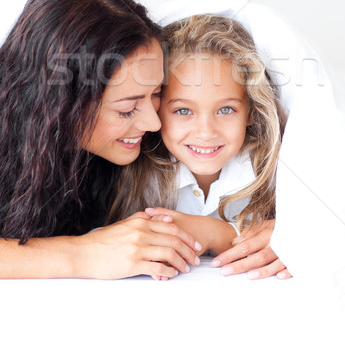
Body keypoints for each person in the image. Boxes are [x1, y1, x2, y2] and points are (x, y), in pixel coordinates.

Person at [0, 0, 202, 280]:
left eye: (156, 93)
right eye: (126, 109)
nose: (153, 123)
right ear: (58, 107)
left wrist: (246, 230)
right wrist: (83, 254)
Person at [108, 14, 292, 280]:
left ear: (251, 110)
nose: (206, 132)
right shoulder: (137, 173)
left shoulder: (273, 169)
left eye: (226, 109)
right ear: (156, 109)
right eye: (183, 110)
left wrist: (214, 233)